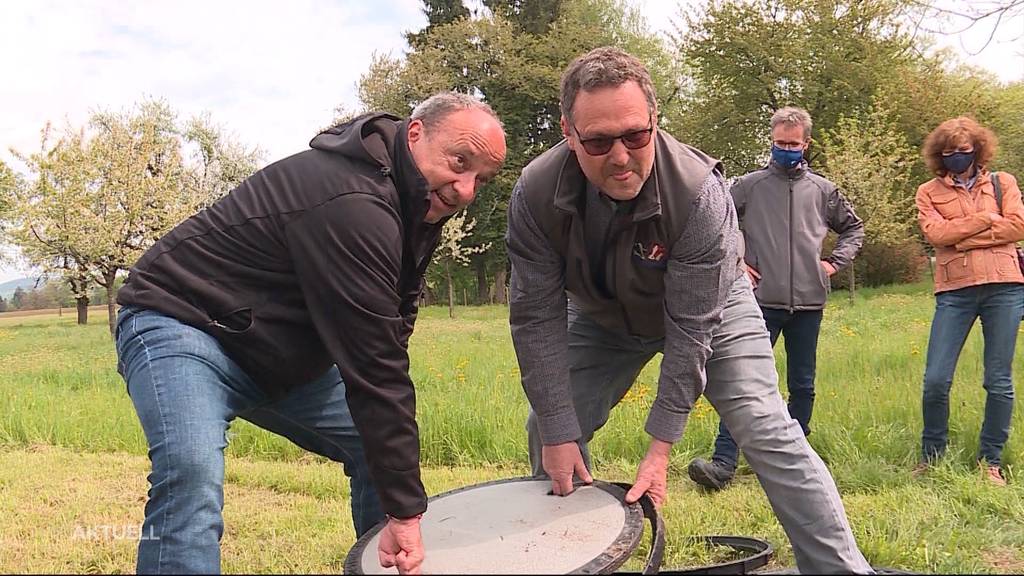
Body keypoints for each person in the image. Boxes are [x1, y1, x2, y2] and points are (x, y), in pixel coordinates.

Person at [506, 46, 872, 573]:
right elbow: (535, 317)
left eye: (635, 135)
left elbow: (690, 330)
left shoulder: (699, 192)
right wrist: (561, 430)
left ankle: (840, 569)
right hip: (602, 317)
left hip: (714, 313)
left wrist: (660, 451)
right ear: (568, 131)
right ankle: (561, 559)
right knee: (548, 428)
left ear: (655, 121)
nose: (621, 156)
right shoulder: (536, 194)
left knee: (764, 424)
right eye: (598, 140)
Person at [115, 92, 507, 574]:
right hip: (184, 325)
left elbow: (393, 325)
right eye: (459, 162)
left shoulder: (413, 200)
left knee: (375, 444)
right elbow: (374, 365)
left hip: (271, 353)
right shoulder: (352, 201)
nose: (465, 190)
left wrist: (398, 495)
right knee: (190, 473)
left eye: (480, 180)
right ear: (414, 134)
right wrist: (405, 512)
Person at [688, 106, 864, 490]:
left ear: (805, 144)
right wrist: (737, 261)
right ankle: (723, 464)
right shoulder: (748, 186)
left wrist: (834, 263)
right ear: (772, 141)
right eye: (779, 143)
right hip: (758, 301)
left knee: (803, 385)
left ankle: (797, 465)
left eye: (793, 143)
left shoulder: (823, 190)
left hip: (808, 302)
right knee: (744, 383)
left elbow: (853, 228)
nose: (786, 149)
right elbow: (717, 222)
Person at [914, 116, 1024, 486]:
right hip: (954, 292)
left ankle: (989, 461)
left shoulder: (1002, 181)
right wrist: (987, 220)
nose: (958, 158)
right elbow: (935, 233)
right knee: (935, 379)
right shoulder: (928, 191)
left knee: (998, 380)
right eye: (950, 153)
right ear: (939, 156)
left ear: (978, 149)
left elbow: (1018, 225)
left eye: (964, 152)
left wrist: (960, 238)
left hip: (1005, 287)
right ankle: (932, 457)